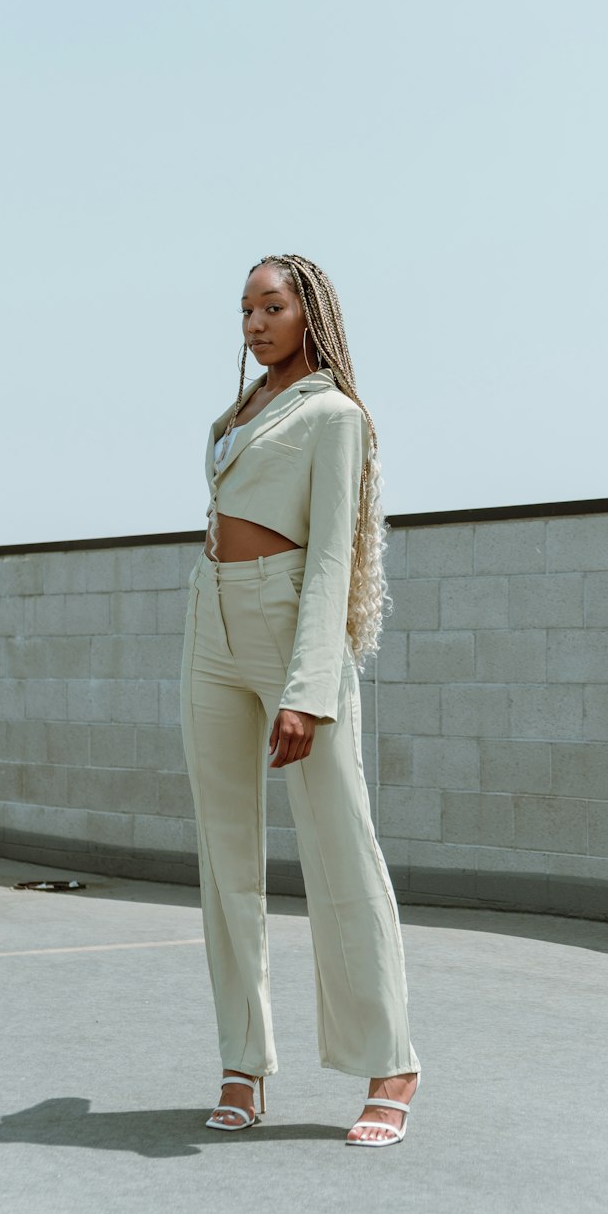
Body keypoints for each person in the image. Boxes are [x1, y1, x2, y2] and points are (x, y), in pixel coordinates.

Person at [179, 253, 421, 1148]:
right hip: (211, 620)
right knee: (224, 853)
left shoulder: (334, 415)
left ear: (309, 312)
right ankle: (243, 1062)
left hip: (290, 626)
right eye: (244, 307)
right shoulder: (237, 413)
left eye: (272, 305)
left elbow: (331, 557)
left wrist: (309, 688)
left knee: (338, 844)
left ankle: (389, 1060)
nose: (254, 321)